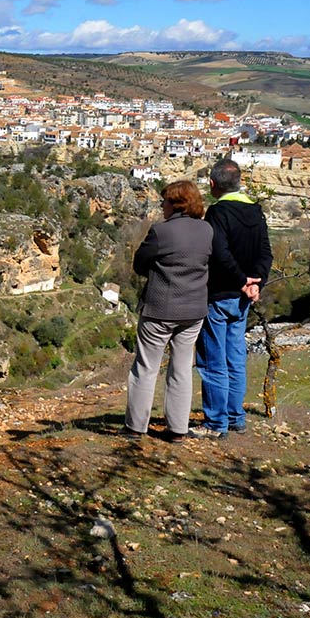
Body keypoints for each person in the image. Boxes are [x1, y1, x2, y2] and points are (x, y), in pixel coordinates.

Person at [124, 180, 214, 442]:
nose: (161, 206)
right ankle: (177, 429)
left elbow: (140, 264)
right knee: (182, 368)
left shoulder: (161, 232)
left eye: (164, 201)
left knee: (146, 367)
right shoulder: (207, 231)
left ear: (175, 204)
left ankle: (135, 427)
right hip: (194, 309)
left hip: (160, 309)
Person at [191, 158, 273, 440]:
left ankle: (215, 423)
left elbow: (220, 253)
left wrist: (241, 281)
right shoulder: (256, 212)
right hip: (243, 297)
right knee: (235, 357)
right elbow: (266, 253)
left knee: (212, 359)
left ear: (213, 184)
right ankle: (236, 416)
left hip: (220, 294)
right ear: (239, 182)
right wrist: (255, 282)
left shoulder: (218, 213)